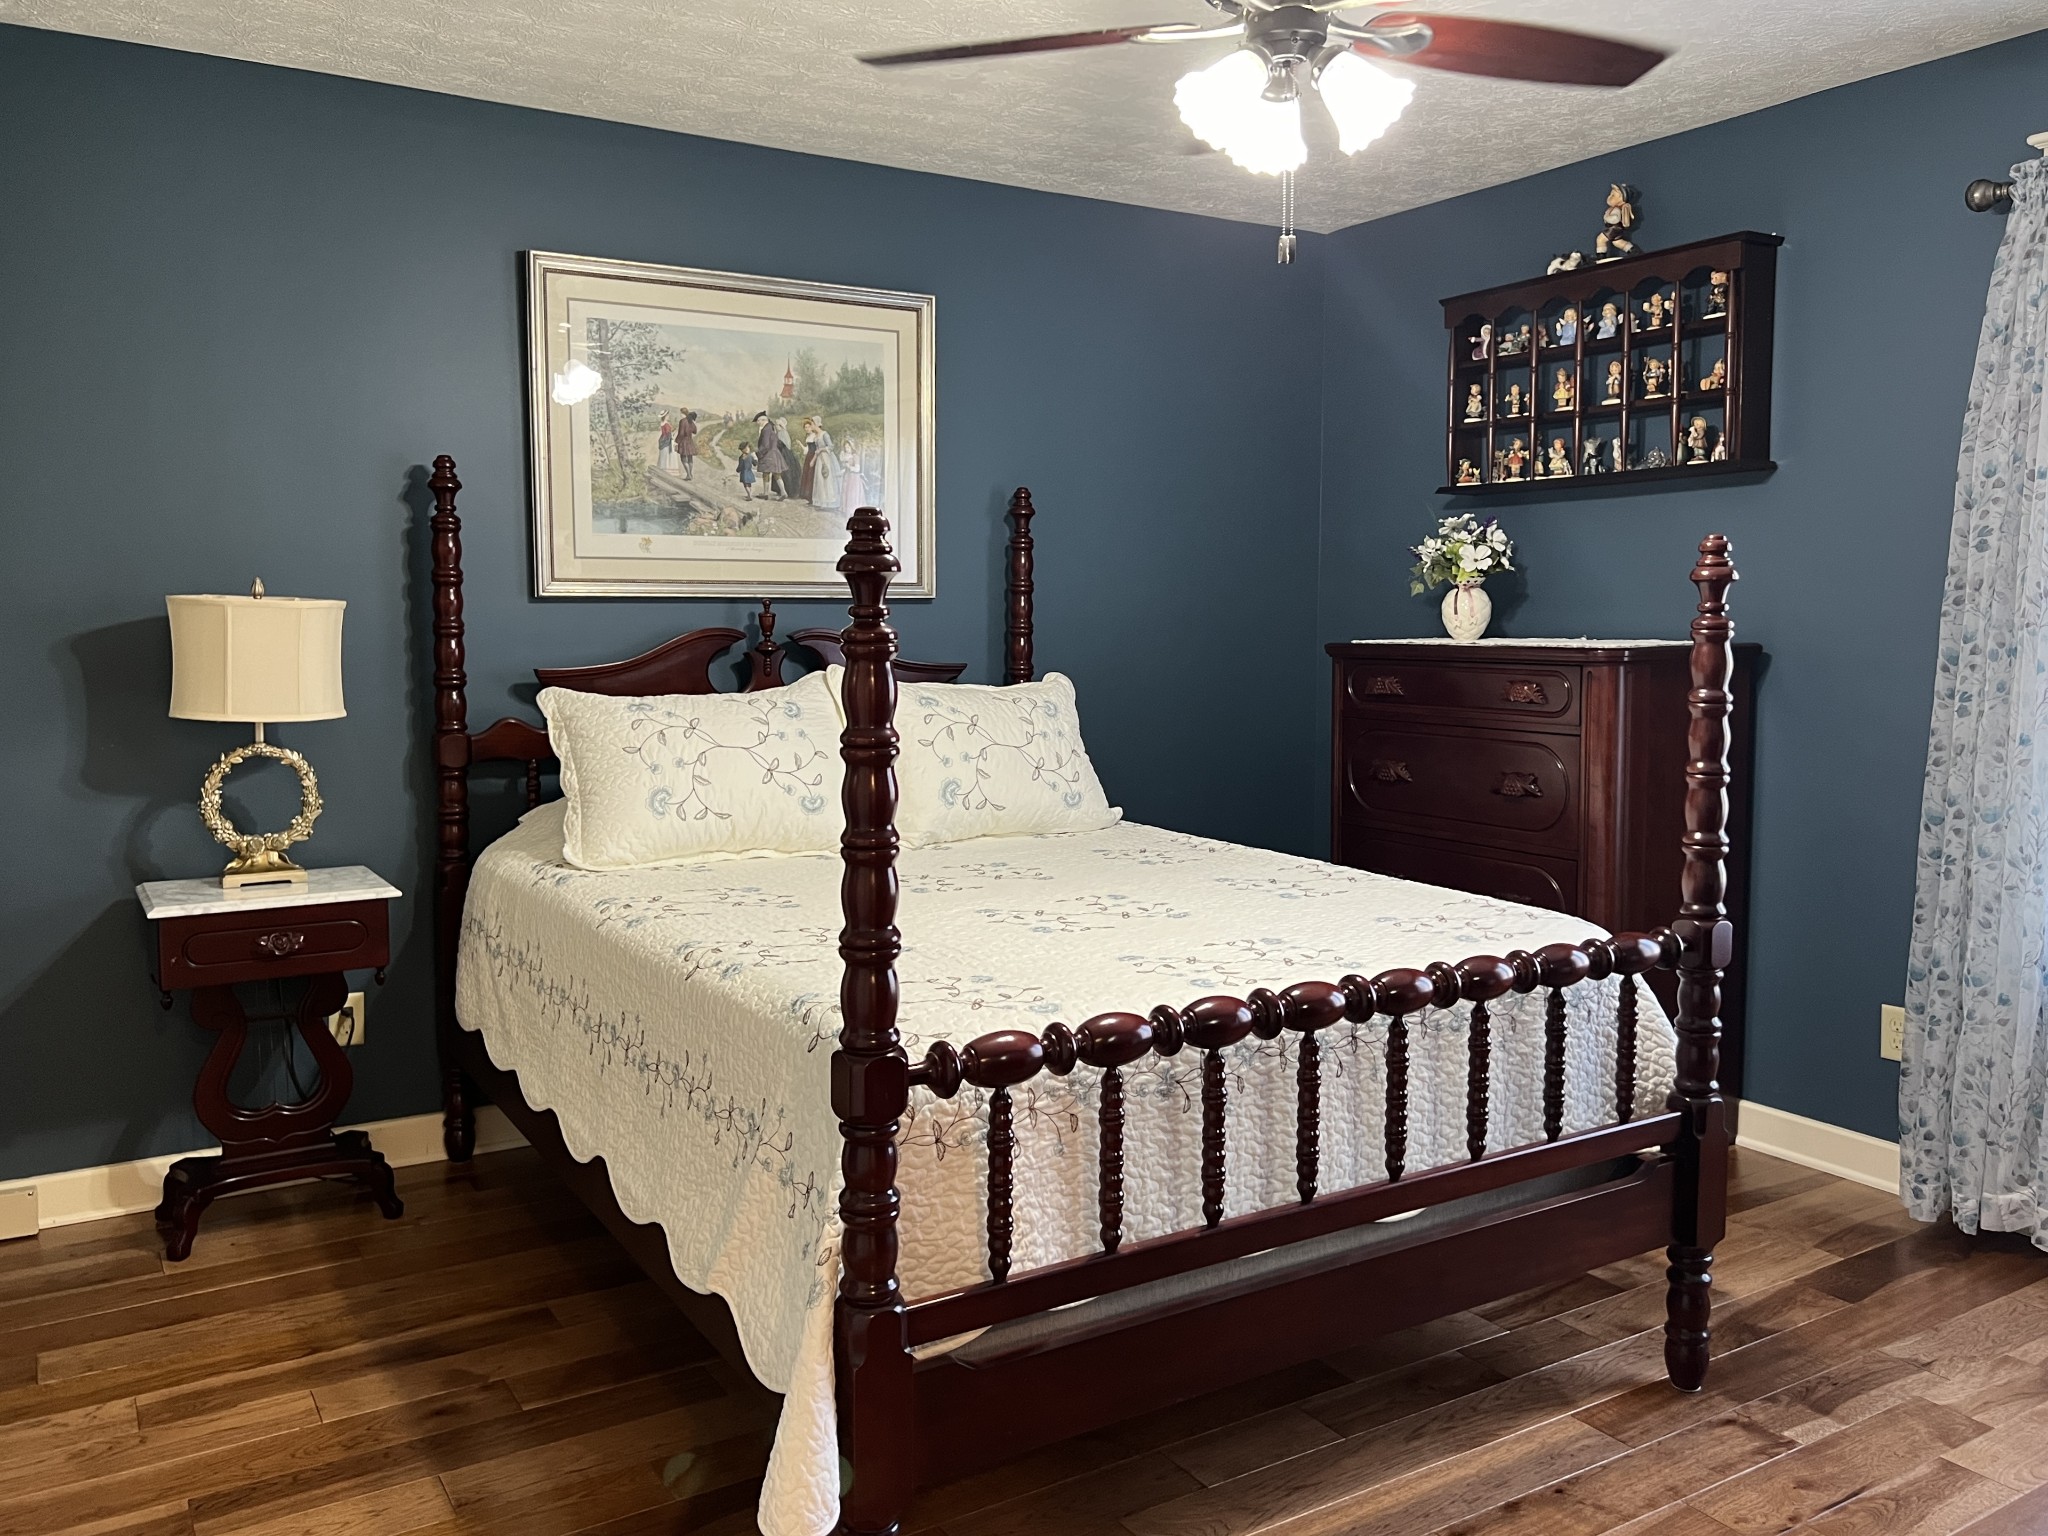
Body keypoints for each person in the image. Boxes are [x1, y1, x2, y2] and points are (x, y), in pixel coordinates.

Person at [752, 411, 792, 499]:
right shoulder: (771, 427)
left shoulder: (766, 429)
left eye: (758, 421)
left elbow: (765, 445)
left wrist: (758, 453)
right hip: (774, 453)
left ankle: (766, 494)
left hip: (768, 454)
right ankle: (783, 492)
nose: (758, 423)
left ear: (763, 420)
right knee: (777, 474)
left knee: (766, 473)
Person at [835, 436, 867, 511]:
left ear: (852, 447)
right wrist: (841, 472)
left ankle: (853, 509)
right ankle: (845, 509)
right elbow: (845, 468)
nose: (847, 449)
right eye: (845, 447)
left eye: (848, 447)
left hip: (854, 478)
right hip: (847, 476)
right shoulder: (846, 456)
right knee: (845, 492)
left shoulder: (855, 456)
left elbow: (857, 469)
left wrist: (849, 467)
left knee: (852, 493)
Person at [675, 410, 698, 481]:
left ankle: (688, 475)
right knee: (690, 459)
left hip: (683, 441)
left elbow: (681, 433)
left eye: (681, 413)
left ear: (683, 413)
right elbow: (695, 431)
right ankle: (690, 474)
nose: (680, 414)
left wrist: (677, 441)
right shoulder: (690, 421)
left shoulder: (682, 421)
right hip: (690, 441)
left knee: (683, 459)